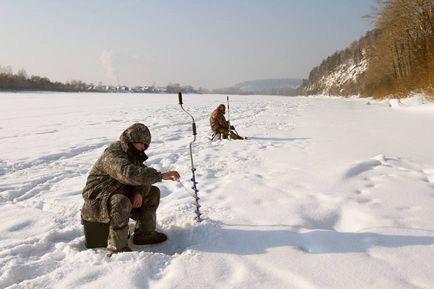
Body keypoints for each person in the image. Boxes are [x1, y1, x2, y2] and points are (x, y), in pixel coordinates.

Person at [81, 123, 180, 256]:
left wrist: (138, 192)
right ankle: (118, 248)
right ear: (132, 140)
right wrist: (160, 175)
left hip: (117, 190)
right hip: (99, 199)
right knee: (121, 202)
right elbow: (128, 173)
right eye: (142, 143)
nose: (143, 148)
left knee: (152, 192)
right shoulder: (113, 154)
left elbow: (141, 174)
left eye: (146, 145)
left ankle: (145, 234)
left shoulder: (132, 154)